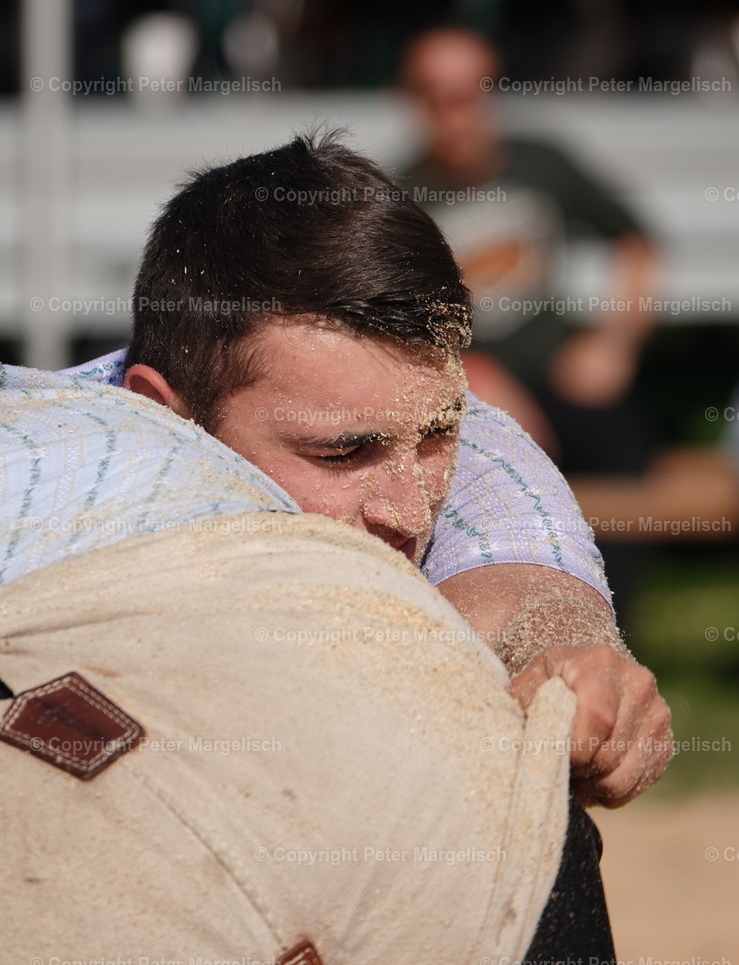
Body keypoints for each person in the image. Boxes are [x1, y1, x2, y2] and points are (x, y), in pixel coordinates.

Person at [2, 131, 671, 958]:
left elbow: (516, 573)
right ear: (161, 416)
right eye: (340, 455)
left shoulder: (459, 434)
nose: (408, 507)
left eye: (434, 438)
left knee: (521, 810)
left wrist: (571, 662)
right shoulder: (36, 462)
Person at [399, 27, 659, 618]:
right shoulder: (398, 195)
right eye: (437, 96)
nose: (457, 114)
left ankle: (612, 627)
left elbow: (638, 242)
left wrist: (615, 342)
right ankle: (497, 628)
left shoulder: (541, 163)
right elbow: (385, 321)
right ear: (412, 101)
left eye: (469, 93)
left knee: (619, 449)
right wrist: (466, 372)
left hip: (556, 363)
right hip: (461, 383)